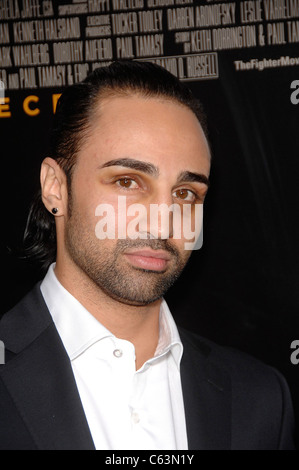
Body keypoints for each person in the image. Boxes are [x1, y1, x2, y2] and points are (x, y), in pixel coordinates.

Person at [0, 61, 295, 450]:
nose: (162, 223)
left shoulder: (259, 399)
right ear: (55, 188)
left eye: (186, 193)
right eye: (128, 181)